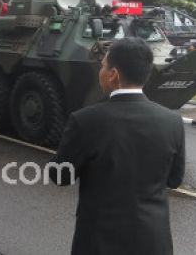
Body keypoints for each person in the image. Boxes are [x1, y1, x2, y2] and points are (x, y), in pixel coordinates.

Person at [50, 37, 185, 255]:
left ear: (113, 74)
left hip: (100, 241)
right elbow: (174, 180)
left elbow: (60, 176)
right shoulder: (172, 121)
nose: (100, 71)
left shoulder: (85, 120)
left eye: (102, 65)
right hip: (152, 241)